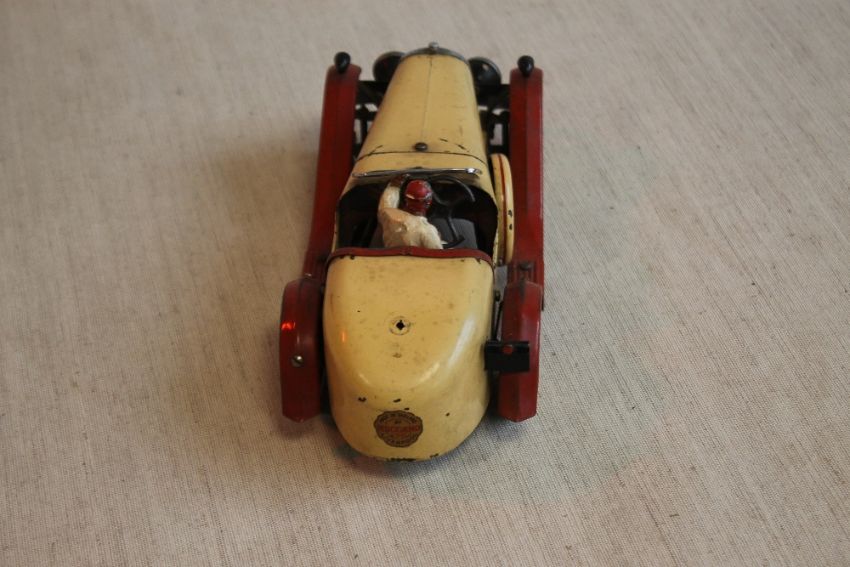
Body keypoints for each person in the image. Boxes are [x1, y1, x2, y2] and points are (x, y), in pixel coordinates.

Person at [377, 175, 443, 249]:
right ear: (428, 201)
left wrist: (395, 184)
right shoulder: (427, 231)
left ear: (406, 198)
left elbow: (386, 202)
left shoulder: (387, 214)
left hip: (390, 254)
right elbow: (438, 254)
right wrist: (437, 238)